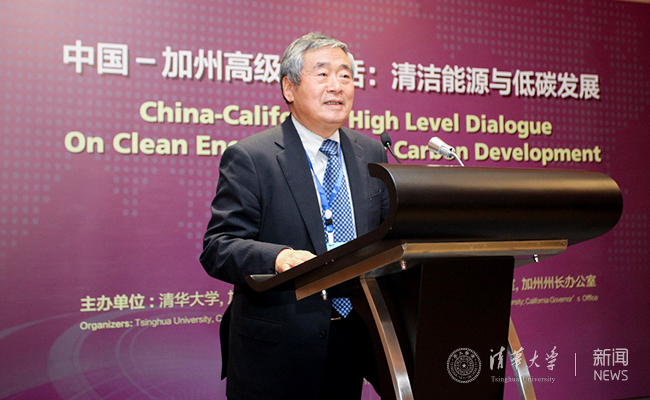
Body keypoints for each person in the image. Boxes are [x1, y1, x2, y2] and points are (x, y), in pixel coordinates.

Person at [200, 32, 389, 400]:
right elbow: (218, 247)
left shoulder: (370, 152)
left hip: (352, 338)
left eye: (345, 75)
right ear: (289, 87)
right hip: (277, 350)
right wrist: (278, 257)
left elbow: (385, 236)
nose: (337, 86)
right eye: (323, 74)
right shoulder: (252, 157)